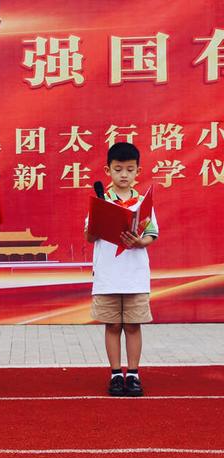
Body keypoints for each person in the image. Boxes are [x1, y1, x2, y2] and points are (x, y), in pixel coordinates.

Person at [85, 142, 158, 397]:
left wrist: (140, 242)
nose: (124, 174)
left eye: (129, 169)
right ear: (108, 170)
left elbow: (151, 235)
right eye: (118, 169)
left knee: (133, 326)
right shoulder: (101, 201)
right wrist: (99, 220)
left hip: (135, 276)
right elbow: (90, 236)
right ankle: (116, 374)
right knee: (113, 326)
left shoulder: (142, 202)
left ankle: (134, 374)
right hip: (107, 276)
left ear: (138, 170)